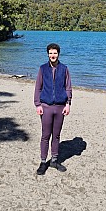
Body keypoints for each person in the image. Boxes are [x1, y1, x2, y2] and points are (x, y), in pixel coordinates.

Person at [34, 43, 72, 175]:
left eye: (55, 53)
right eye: (50, 53)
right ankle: (43, 162)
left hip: (60, 106)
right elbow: (38, 87)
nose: (52, 55)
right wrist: (38, 104)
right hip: (46, 106)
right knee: (45, 135)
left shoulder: (64, 69)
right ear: (47, 54)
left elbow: (68, 87)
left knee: (56, 135)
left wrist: (68, 103)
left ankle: (54, 160)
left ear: (58, 54)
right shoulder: (43, 69)